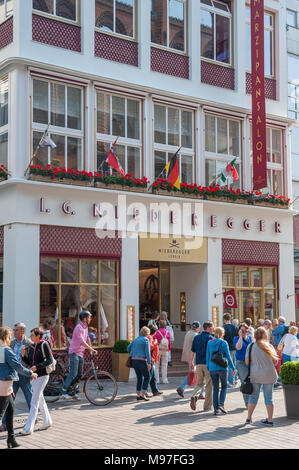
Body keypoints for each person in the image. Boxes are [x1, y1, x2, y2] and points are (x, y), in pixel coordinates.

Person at [0, 326, 37, 448]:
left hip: (7, 386)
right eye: (10, 335)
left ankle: (11, 439)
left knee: (10, 411)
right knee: (1, 414)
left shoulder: (1, 350)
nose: (11, 338)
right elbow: (18, 367)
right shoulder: (6, 350)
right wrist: (31, 373)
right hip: (5, 386)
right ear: (6, 337)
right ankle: (11, 439)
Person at [20, 328, 53, 435]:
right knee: (40, 399)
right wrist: (23, 355)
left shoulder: (44, 345)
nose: (30, 337)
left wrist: (37, 367)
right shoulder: (32, 346)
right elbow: (29, 362)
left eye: (32, 335)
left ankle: (29, 427)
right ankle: (47, 421)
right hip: (34, 377)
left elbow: (49, 360)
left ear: (39, 336)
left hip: (43, 376)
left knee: (34, 401)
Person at [245, 327, 278, 426]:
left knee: (253, 397)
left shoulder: (250, 346)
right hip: (269, 374)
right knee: (269, 398)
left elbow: (247, 362)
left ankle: (249, 418)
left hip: (255, 375)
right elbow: (275, 362)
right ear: (264, 335)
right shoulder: (269, 346)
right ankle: (270, 420)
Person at [60, 311, 97, 400]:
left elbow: (87, 339)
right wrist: (91, 349)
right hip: (74, 353)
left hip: (80, 353)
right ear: (85, 319)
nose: (90, 319)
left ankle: (72, 392)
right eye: (89, 317)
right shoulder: (79, 327)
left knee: (79, 374)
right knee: (73, 373)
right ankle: (63, 392)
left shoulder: (85, 327)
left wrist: (90, 350)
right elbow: (82, 341)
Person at [206, 327, 236, 415]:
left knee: (215, 388)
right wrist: (233, 368)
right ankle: (221, 405)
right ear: (222, 333)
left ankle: (216, 409)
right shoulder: (224, 343)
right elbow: (228, 356)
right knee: (224, 386)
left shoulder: (209, 343)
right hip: (222, 368)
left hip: (212, 368)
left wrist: (208, 367)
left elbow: (207, 356)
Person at [189, 321, 214, 412]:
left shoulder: (197, 337)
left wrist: (191, 362)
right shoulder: (211, 338)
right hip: (208, 364)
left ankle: (194, 396)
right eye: (212, 327)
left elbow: (192, 351)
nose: (213, 329)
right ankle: (207, 406)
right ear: (208, 328)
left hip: (198, 363)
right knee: (209, 385)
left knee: (199, 383)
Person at [176, 322, 204, 399]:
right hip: (194, 357)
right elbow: (196, 348)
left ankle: (182, 388)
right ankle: (200, 393)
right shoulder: (196, 335)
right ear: (197, 328)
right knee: (199, 374)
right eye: (199, 327)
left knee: (193, 374)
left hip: (189, 356)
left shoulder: (188, 333)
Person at [127, 326, 152, 401]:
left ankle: (138, 394)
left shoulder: (135, 340)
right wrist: (149, 363)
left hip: (134, 361)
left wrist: (134, 352)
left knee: (139, 378)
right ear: (147, 333)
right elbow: (147, 352)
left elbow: (128, 348)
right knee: (147, 377)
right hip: (141, 361)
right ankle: (143, 394)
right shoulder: (146, 340)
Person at [233, 323, 252, 408]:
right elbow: (238, 348)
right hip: (241, 363)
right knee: (245, 381)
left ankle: (250, 400)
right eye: (242, 331)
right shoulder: (236, 338)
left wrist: (251, 335)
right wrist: (241, 337)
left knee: (251, 381)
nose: (244, 332)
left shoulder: (250, 338)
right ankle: (247, 402)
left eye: (245, 330)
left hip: (251, 362)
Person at [223, 313, 238, 388]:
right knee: (234, 364)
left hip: (227, 348)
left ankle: (230, 381)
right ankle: (235, 379)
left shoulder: (223, 328)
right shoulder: (235, 327)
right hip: (234, 347)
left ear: (224, 320)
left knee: (228, 365)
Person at [146, 328, 163, 397]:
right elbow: (150, 347)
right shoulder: (150, 337)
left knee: (152, 376)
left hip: (151, 358)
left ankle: (155, 390)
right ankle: (145, 391)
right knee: (149, 376)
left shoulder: (150, 337)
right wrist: (155, 342)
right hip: (150, 359)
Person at [154, 320, 171, 384]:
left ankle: (157, 380)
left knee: (156, 365)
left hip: (158, 349)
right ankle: (165, 380)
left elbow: (155, 341)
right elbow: (169, 343)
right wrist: (168, 349)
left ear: (159, 325)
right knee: (164, 365)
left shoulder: (157, 332)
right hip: (165, 350)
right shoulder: (167, 332)